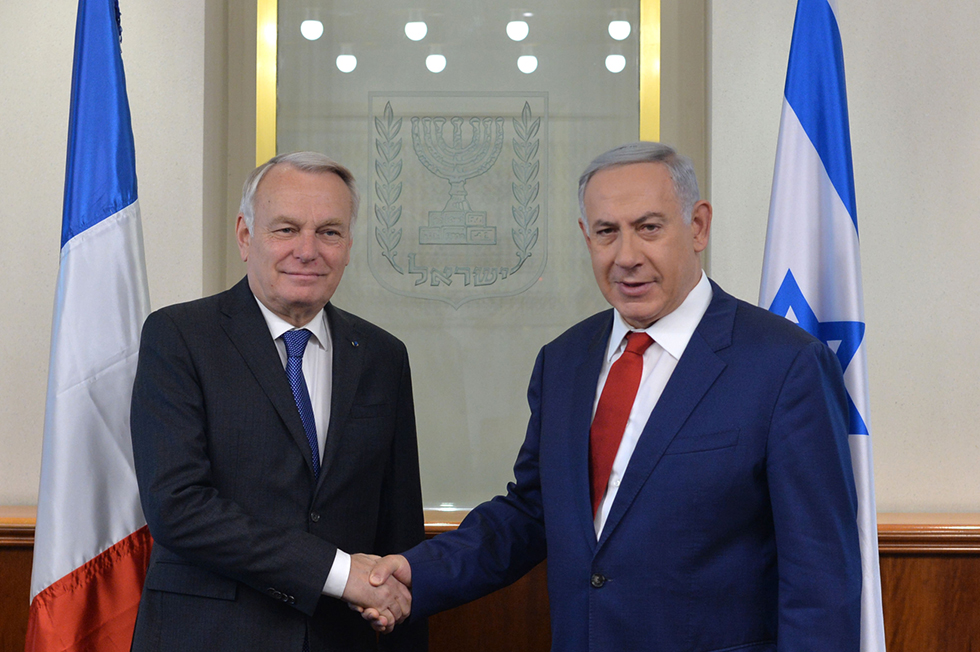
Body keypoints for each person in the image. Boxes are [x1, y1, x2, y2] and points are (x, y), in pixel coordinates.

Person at [366, 142, 862, 650]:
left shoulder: (784, 365)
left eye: (649, 227)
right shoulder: (564, 361)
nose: (627, 257)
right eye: (607, 232)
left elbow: (821, 578)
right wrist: (413, 572)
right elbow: (533, 512)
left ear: (698, 227)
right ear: (587, 237)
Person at [129, 152, 426, 651]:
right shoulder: (178, 337)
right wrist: (337, 573)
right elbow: (177, 507)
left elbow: (398, 524)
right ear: (245, 236)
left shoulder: (382, 355)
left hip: (346, 639)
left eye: (329, 232)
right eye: (286, 229)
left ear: (349, 245)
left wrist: (395, 611)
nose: (308, 251)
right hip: (210, 637)